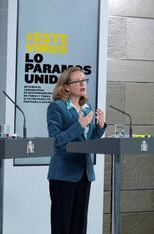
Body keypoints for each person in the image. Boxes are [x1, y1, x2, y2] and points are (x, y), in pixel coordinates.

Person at [46, 66, 106, 234]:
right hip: (64, 174)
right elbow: (55, 140)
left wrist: (100, 127)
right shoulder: (56, 107)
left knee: (79, 227)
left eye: (84, 80)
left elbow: (89, 141)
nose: (83, 84)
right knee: (62, 226)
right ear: (66, 86)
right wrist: (78, 125)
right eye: (77, 81)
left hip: (84, 173)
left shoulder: (87, 107)